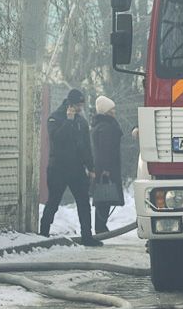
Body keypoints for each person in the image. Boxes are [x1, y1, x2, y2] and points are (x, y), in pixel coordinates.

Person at [39, 88, 103, 246]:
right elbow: (56, 139)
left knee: (83, 203)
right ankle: (43, 233)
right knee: (53, 201)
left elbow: (85, 147)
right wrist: (68, 120)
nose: (80, 108)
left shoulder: (81, 122)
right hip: (58, 168)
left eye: (81, 105)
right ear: (70, 104)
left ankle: (87, 236)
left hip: (77, 169)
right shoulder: (55, 118)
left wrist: (91, 166)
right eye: (78, 105)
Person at [89, 95, 125, 234]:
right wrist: (106, 169)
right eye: (112, 109)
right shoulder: (106, 127)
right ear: (106, 111)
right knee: (104, 197)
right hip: (106, 168)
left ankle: (101, 226)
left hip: (104, 167)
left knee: (104, 197)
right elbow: (105, 150)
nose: (114, 112)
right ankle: (100, 227)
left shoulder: (101, 125)